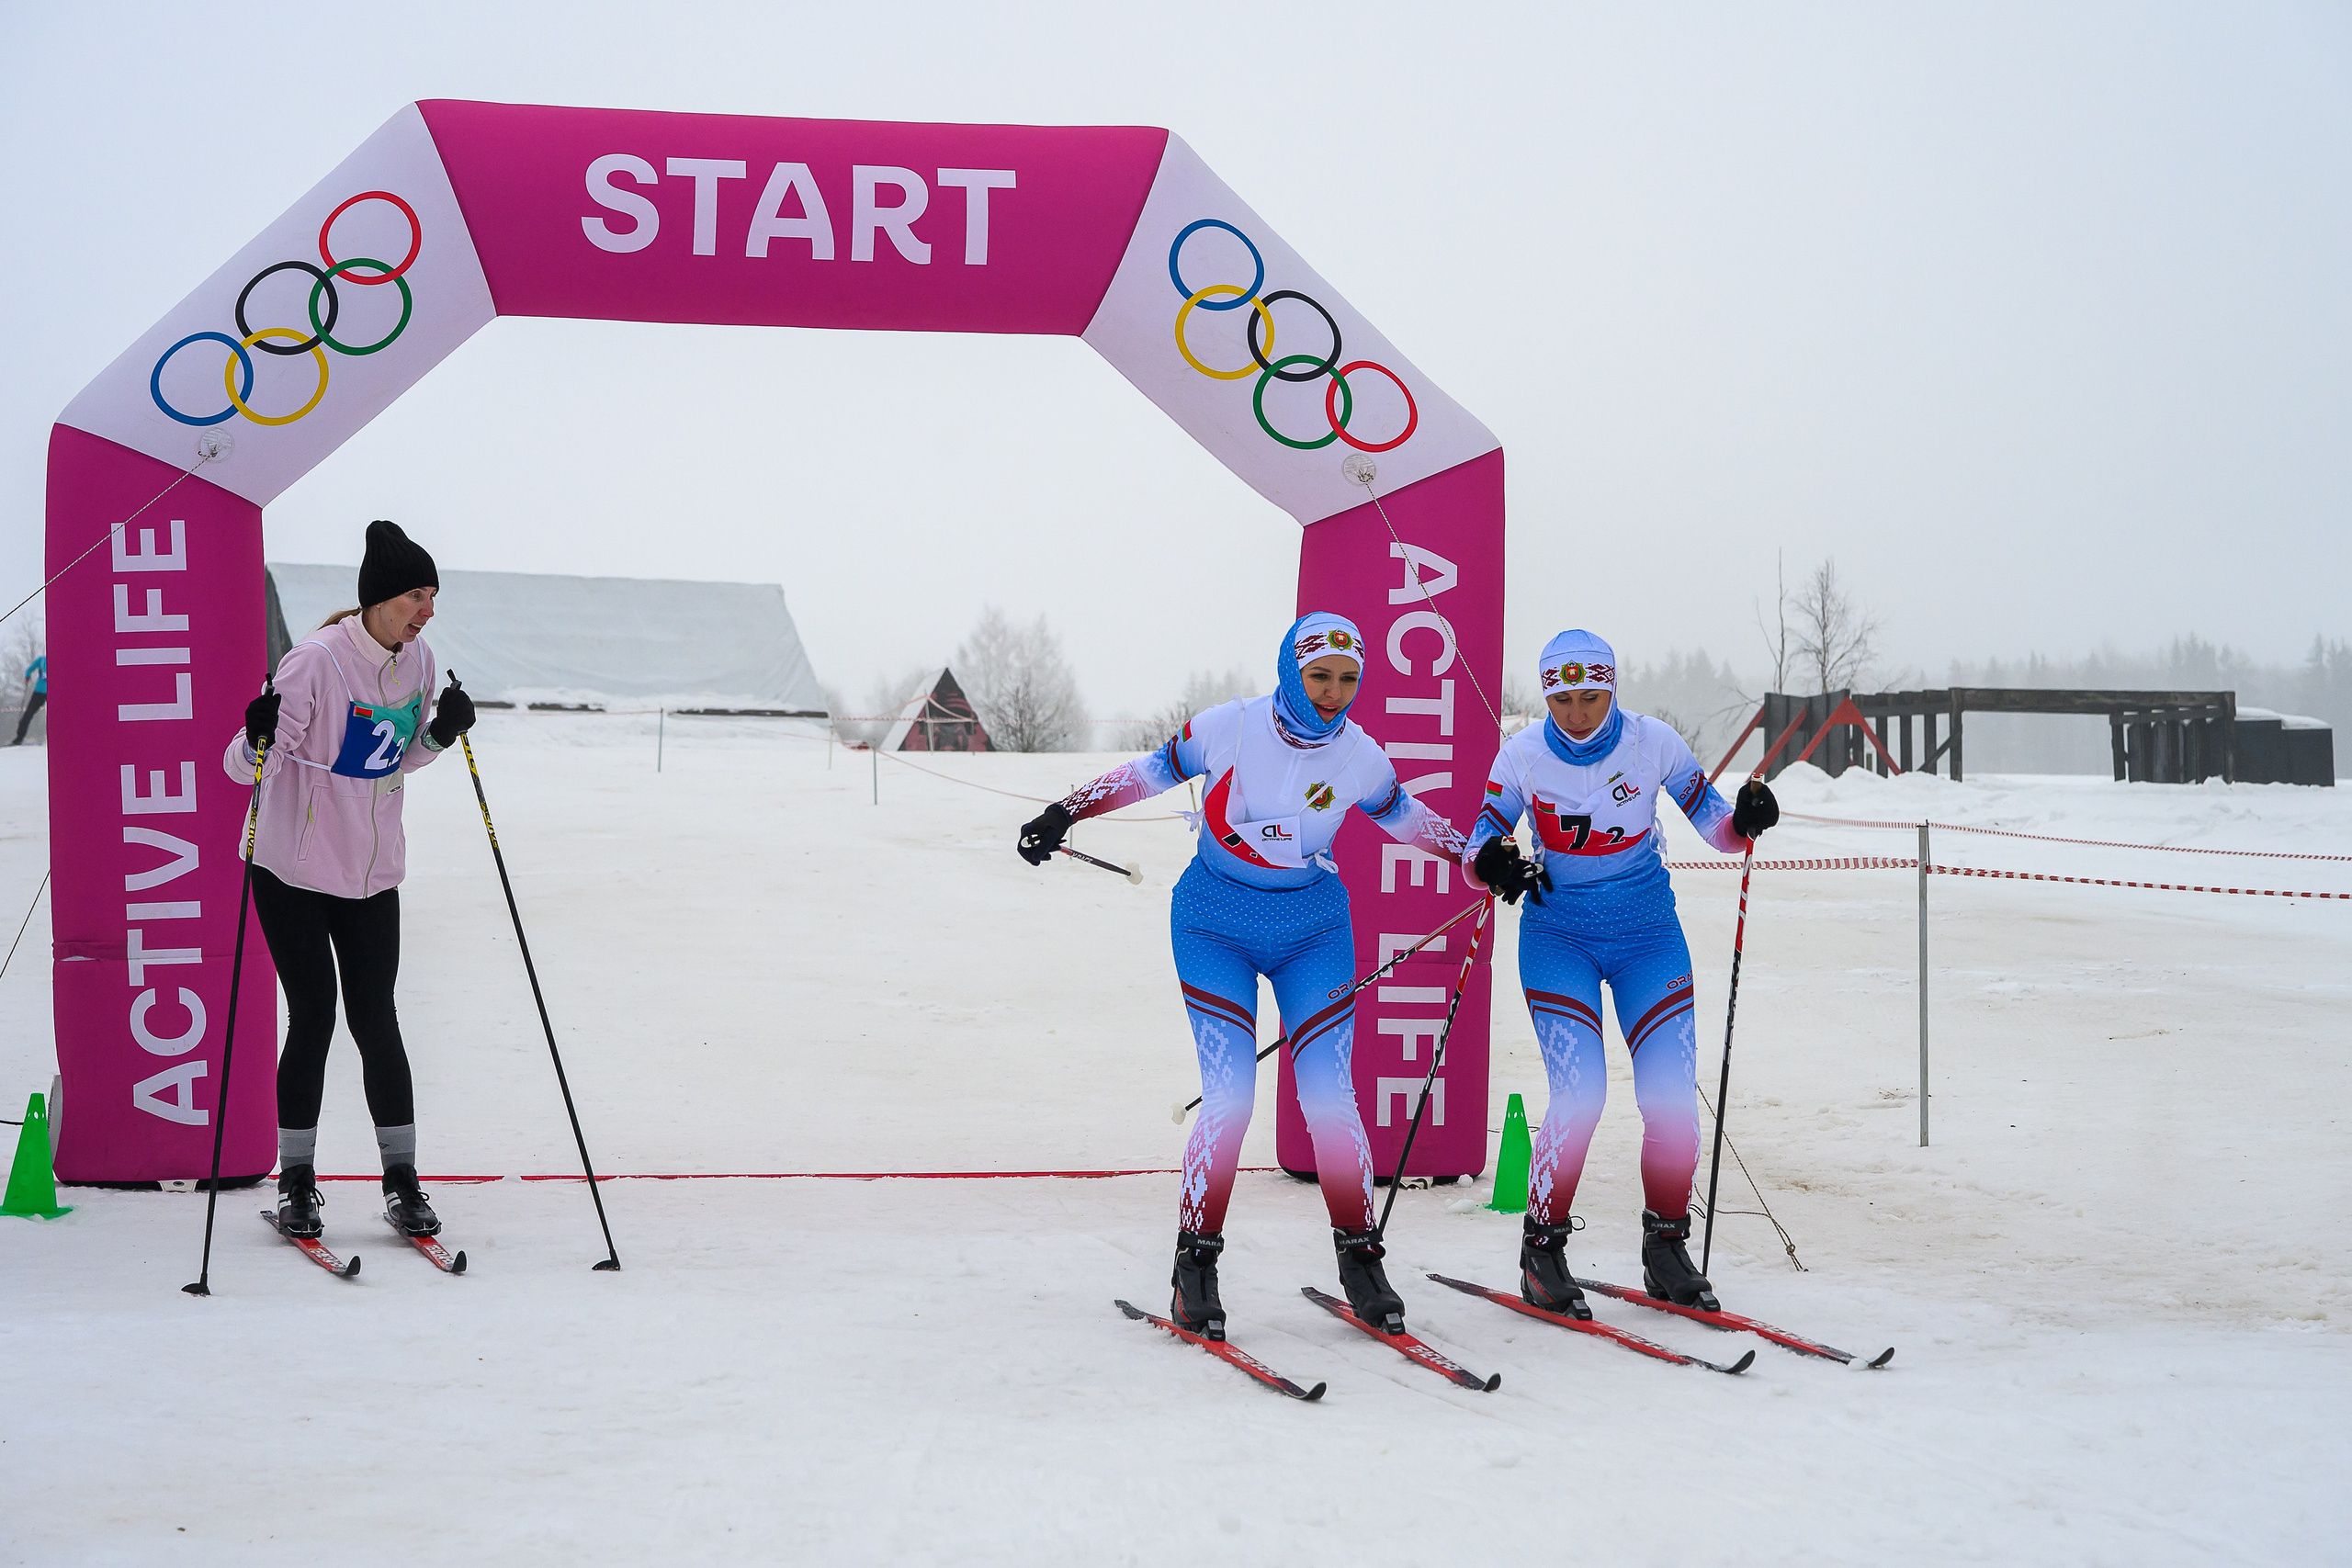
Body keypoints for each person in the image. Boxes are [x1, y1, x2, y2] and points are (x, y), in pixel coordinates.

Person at [1017, 614, 1468, 1339]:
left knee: (1330, 1096)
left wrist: (1482, 856)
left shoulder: (1359, 754)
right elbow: (1147, 772)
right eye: (1320, 675)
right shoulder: (1230, 726)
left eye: (1348, 679)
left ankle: (1359, 1257)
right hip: (1212, 924)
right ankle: (1195, 1262)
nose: (1332, 693)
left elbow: (1408, 817)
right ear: (1292, 668)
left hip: (1312, 930)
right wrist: (1065, 811)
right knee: (1230, 1098)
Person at [1463, 629, 1777, 1314]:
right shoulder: (1522, 753)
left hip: (1647, 937)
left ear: (1613, 688)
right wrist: (1491, 860)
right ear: (1547, 695)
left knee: (1672, 1105)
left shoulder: (1652, 741)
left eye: (1591, 695)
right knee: (1581, 1098)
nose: (1578, 711)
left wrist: (1748, 818)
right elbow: (1481, 835)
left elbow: (1718, 827)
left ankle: (1666, 1247)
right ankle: (1541, 1251)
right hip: (1558, 938)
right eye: (1564, 697)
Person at [220, 521, 476, 1242]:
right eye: (414, 595)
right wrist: (255, 735)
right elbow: (243, 769)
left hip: (371, 874)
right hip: (294, 871)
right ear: (377, 598)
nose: (426, 609)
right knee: (315, 1016)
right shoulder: (317, 663)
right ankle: (297, 1182)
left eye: (431, 595)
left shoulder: (417, 661)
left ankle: (402, 1182)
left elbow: (392, 762)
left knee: (377, 1019)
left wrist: (439, 734)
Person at [10, 654, 44, 745]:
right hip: (39, 692)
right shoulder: (42, 660)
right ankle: (19, 738)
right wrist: (27, 676)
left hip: (54, 692)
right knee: (28, 714)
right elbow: (30, 669)